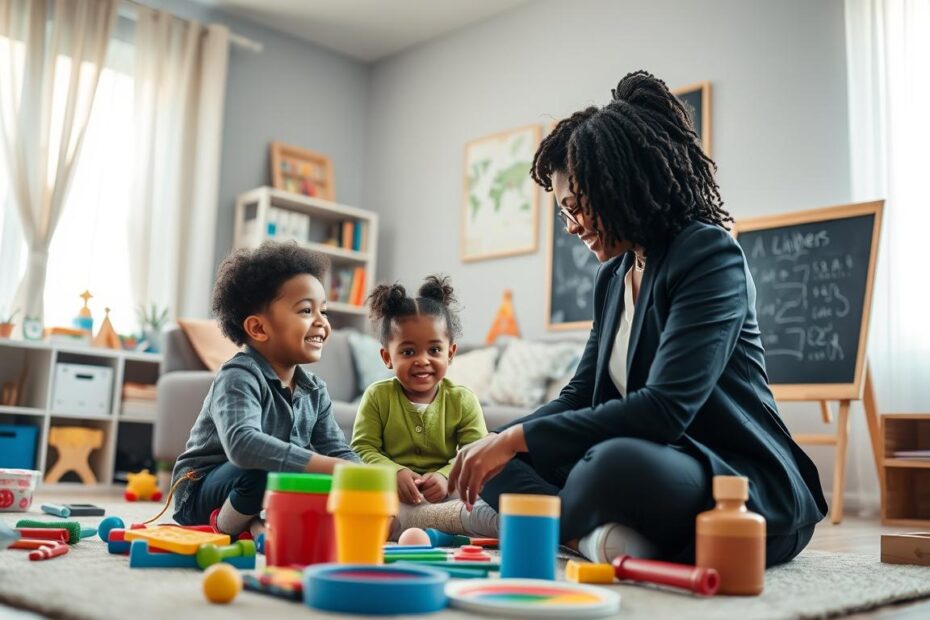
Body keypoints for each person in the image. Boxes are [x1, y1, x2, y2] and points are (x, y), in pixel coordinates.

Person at [448, 70, 827, 565]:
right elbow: (580, 394)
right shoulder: (614, 277)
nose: (570, 225)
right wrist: (499, 442)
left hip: (736, 486)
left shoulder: (708, 254)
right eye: (563, 211)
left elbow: (664, 410)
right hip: (665, 477)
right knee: (497, 461)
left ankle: (570, 530)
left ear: (618, 186)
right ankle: (596, 535)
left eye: (577, 206)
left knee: (611, 466)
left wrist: (519, 437)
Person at [171, 241, 360, 536]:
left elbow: (338, 450)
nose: (322, 323)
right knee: (267, 469)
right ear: (259, 329)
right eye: (307, 310)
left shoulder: (314, 390)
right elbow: (243, 445)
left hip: (270, 485)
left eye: (324, 311)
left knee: (313, 481)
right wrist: (329, 467)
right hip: (201, 492)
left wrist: (369, 478)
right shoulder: (238, 375)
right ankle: (229, 525)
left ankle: (262, 521)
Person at [352, 275, 487, 507]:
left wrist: (445, 476)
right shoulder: (377, 396)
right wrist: (393, 472)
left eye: (434, 350)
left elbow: (475, 453)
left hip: (447, 496)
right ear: (387, 357)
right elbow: (362, 448)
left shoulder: (463, 399)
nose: (423, 360)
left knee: (482, 496)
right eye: (408, 352)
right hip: (390, 494)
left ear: (451, 353)